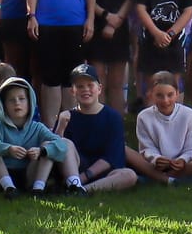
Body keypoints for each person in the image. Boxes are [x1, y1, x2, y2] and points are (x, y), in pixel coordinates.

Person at [0, 74, 86, 198]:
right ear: (3, 105)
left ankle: (38, 189)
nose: (17, 103)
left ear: (30, 102)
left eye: (21, 99)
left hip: (28, 174)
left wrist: (41, 151)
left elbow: (61, 144)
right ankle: (9, 189)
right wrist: (8, 149)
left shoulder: (37, 127)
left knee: (48, 146)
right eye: (11, 100)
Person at [125, 70, 192, 186]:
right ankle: (172, 180)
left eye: (170, 95)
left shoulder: (189, 115)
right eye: (159, 95)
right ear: (151, 94)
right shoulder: (144, 116)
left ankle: (157, 178)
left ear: (177, 93)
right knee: (125, 151)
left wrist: (183, 160)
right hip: (155, 165)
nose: (165, 101)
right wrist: (156, 159)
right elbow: (146, 148)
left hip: (183, 165)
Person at [58, 61, 138, 192]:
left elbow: (112, 157)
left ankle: (82, 190)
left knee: (129, 175)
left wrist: (85, 176)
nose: (85, 90)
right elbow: (57, 151)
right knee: (65, 143)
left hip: (103, 171)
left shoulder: (113, 117)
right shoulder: (67, 117)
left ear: (99, 89)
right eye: (80, 86)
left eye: (90, 85)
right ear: (73, 91)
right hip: (75, 170)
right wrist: (61, 126)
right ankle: (75, 185)